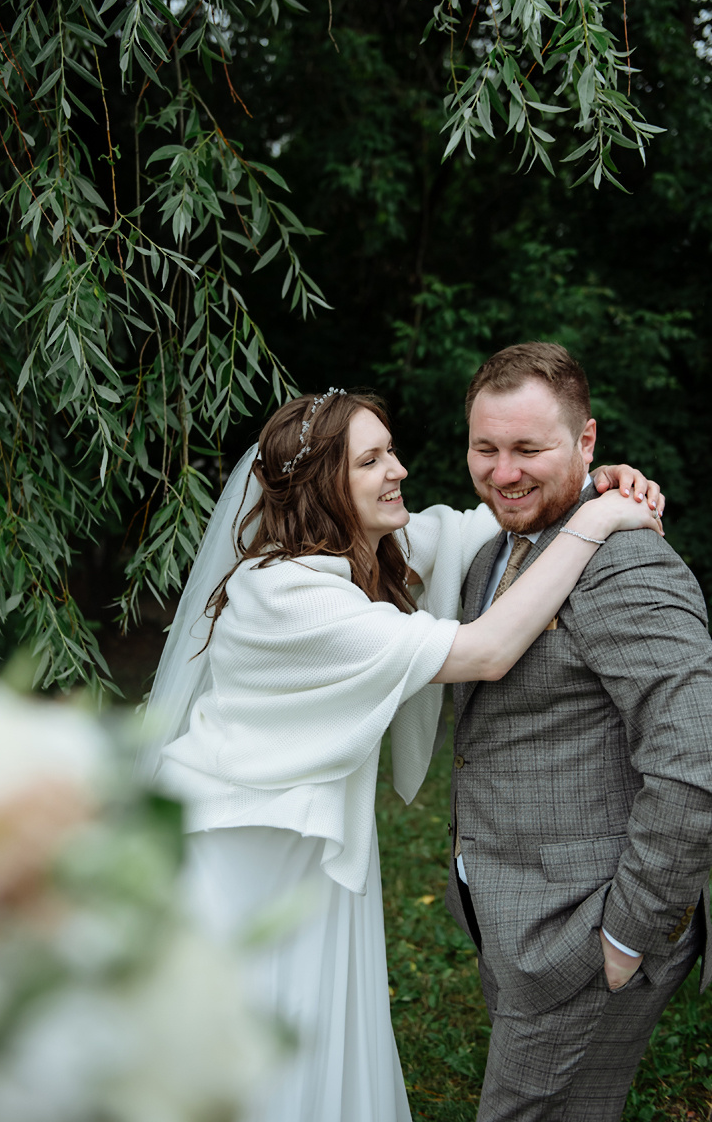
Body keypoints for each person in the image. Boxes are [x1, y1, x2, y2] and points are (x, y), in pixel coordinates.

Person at [142, 388, 662, 1122]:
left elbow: (496, 520)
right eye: (371, 459)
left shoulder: (356, 552)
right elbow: (484, 650)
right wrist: (601, 520)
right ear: (325, 484)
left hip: (304, 845)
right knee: (241, 1041)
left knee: (305, 1035)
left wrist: (590, 484)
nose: (400, 470)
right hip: (239, 855)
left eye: (389, 450)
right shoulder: (286, 595)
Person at [447, 342, 712, 1122]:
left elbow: (694, 759)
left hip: (585, 930)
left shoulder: (628, 567)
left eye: (529, 448)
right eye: (485, 448)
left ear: (585, 442)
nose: (503, 473)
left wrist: (626, 938)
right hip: (513, 914)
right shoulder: (490, 555)